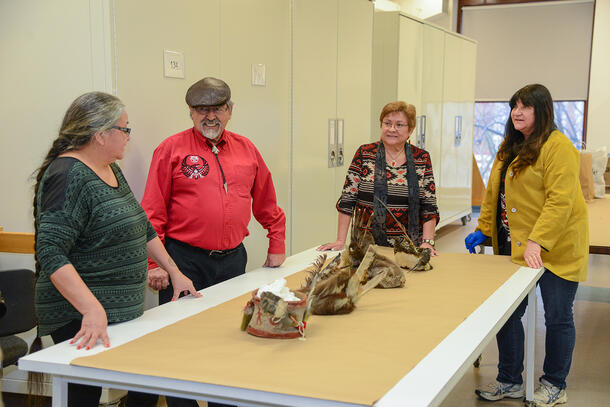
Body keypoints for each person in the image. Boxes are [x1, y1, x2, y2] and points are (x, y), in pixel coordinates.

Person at [33, 92, 200, 407]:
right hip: (77, 311)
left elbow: (142, 226)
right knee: (83, 395)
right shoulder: (68, 175)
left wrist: (174, 271)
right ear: (99, 135)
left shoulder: (109, 167)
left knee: (145, 380)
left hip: (118, 310)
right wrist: (91, 308)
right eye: (124, 129)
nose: (128, 136)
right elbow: (52, 252)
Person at [137, 77, 286, 407]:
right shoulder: (171, 149)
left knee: (230, 341)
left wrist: (276, 241)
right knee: (182, 345)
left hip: (233, 262)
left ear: (230, 110)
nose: (209, 116)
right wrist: (154, 264)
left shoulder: (247, 150)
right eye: (201, 109)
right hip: (183, 262)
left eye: (217, 108)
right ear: (190, 113)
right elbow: (152, 211)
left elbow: (266, 201)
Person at [465, 84, 588, 407]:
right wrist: (484, 229)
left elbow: (560, 201)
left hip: (555, 246)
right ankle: (510, 380)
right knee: (507, 314)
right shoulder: (511, 144)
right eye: (514, 106)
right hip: (514, 246)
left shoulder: (558, 147)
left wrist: (538, 240)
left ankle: (554, 384)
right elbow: (495, 190)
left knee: (558, 316)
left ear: (542, 111)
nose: (517, 112)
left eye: (525, 107)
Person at [318, 101, 439, 253]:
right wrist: (340, 240)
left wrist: (428, 242)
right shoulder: (364, 154)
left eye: (399, 125)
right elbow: (347, 199)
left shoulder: (421, 158)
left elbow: (429, 206)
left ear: (411, 129)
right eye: (387, 123)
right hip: (366, 247)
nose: (392, 129)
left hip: (409, 249)